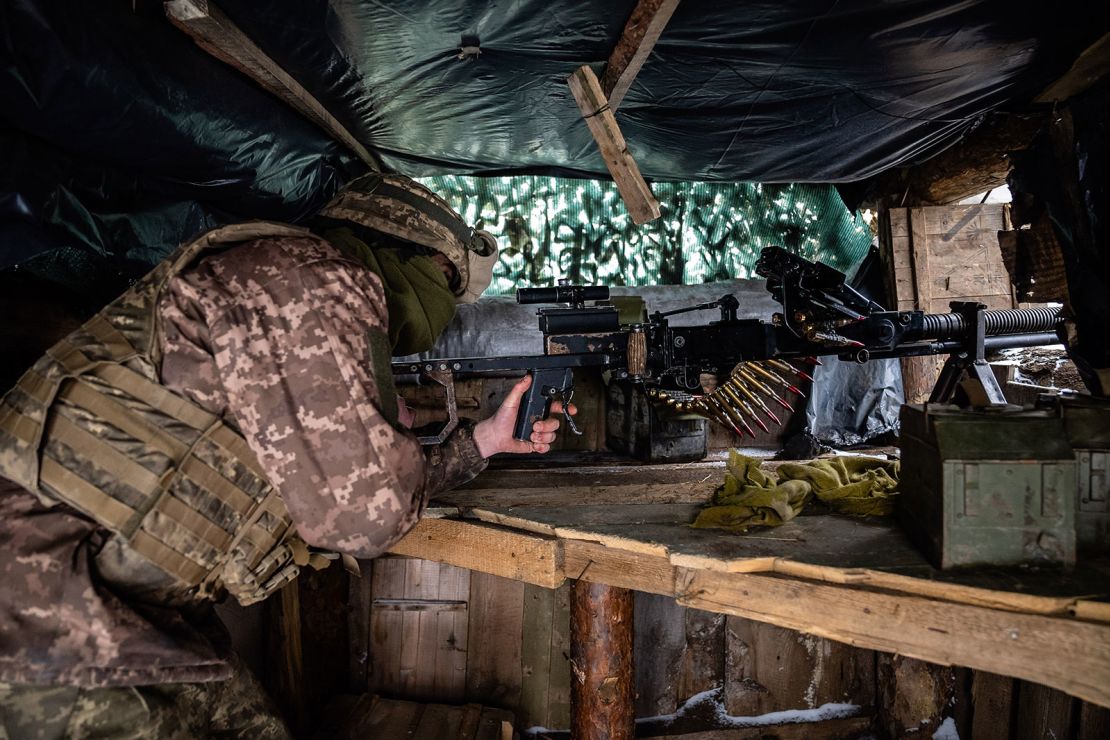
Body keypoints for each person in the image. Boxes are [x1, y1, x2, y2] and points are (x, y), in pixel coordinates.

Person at [0, 174, 570, 738]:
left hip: (113, 599)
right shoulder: (316, 277)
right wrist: (389, 448)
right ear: (399, 248)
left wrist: (483, 442)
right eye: (444, 278)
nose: (441, 306)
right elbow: (365, 518)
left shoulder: (286, 280)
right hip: (46, 604)